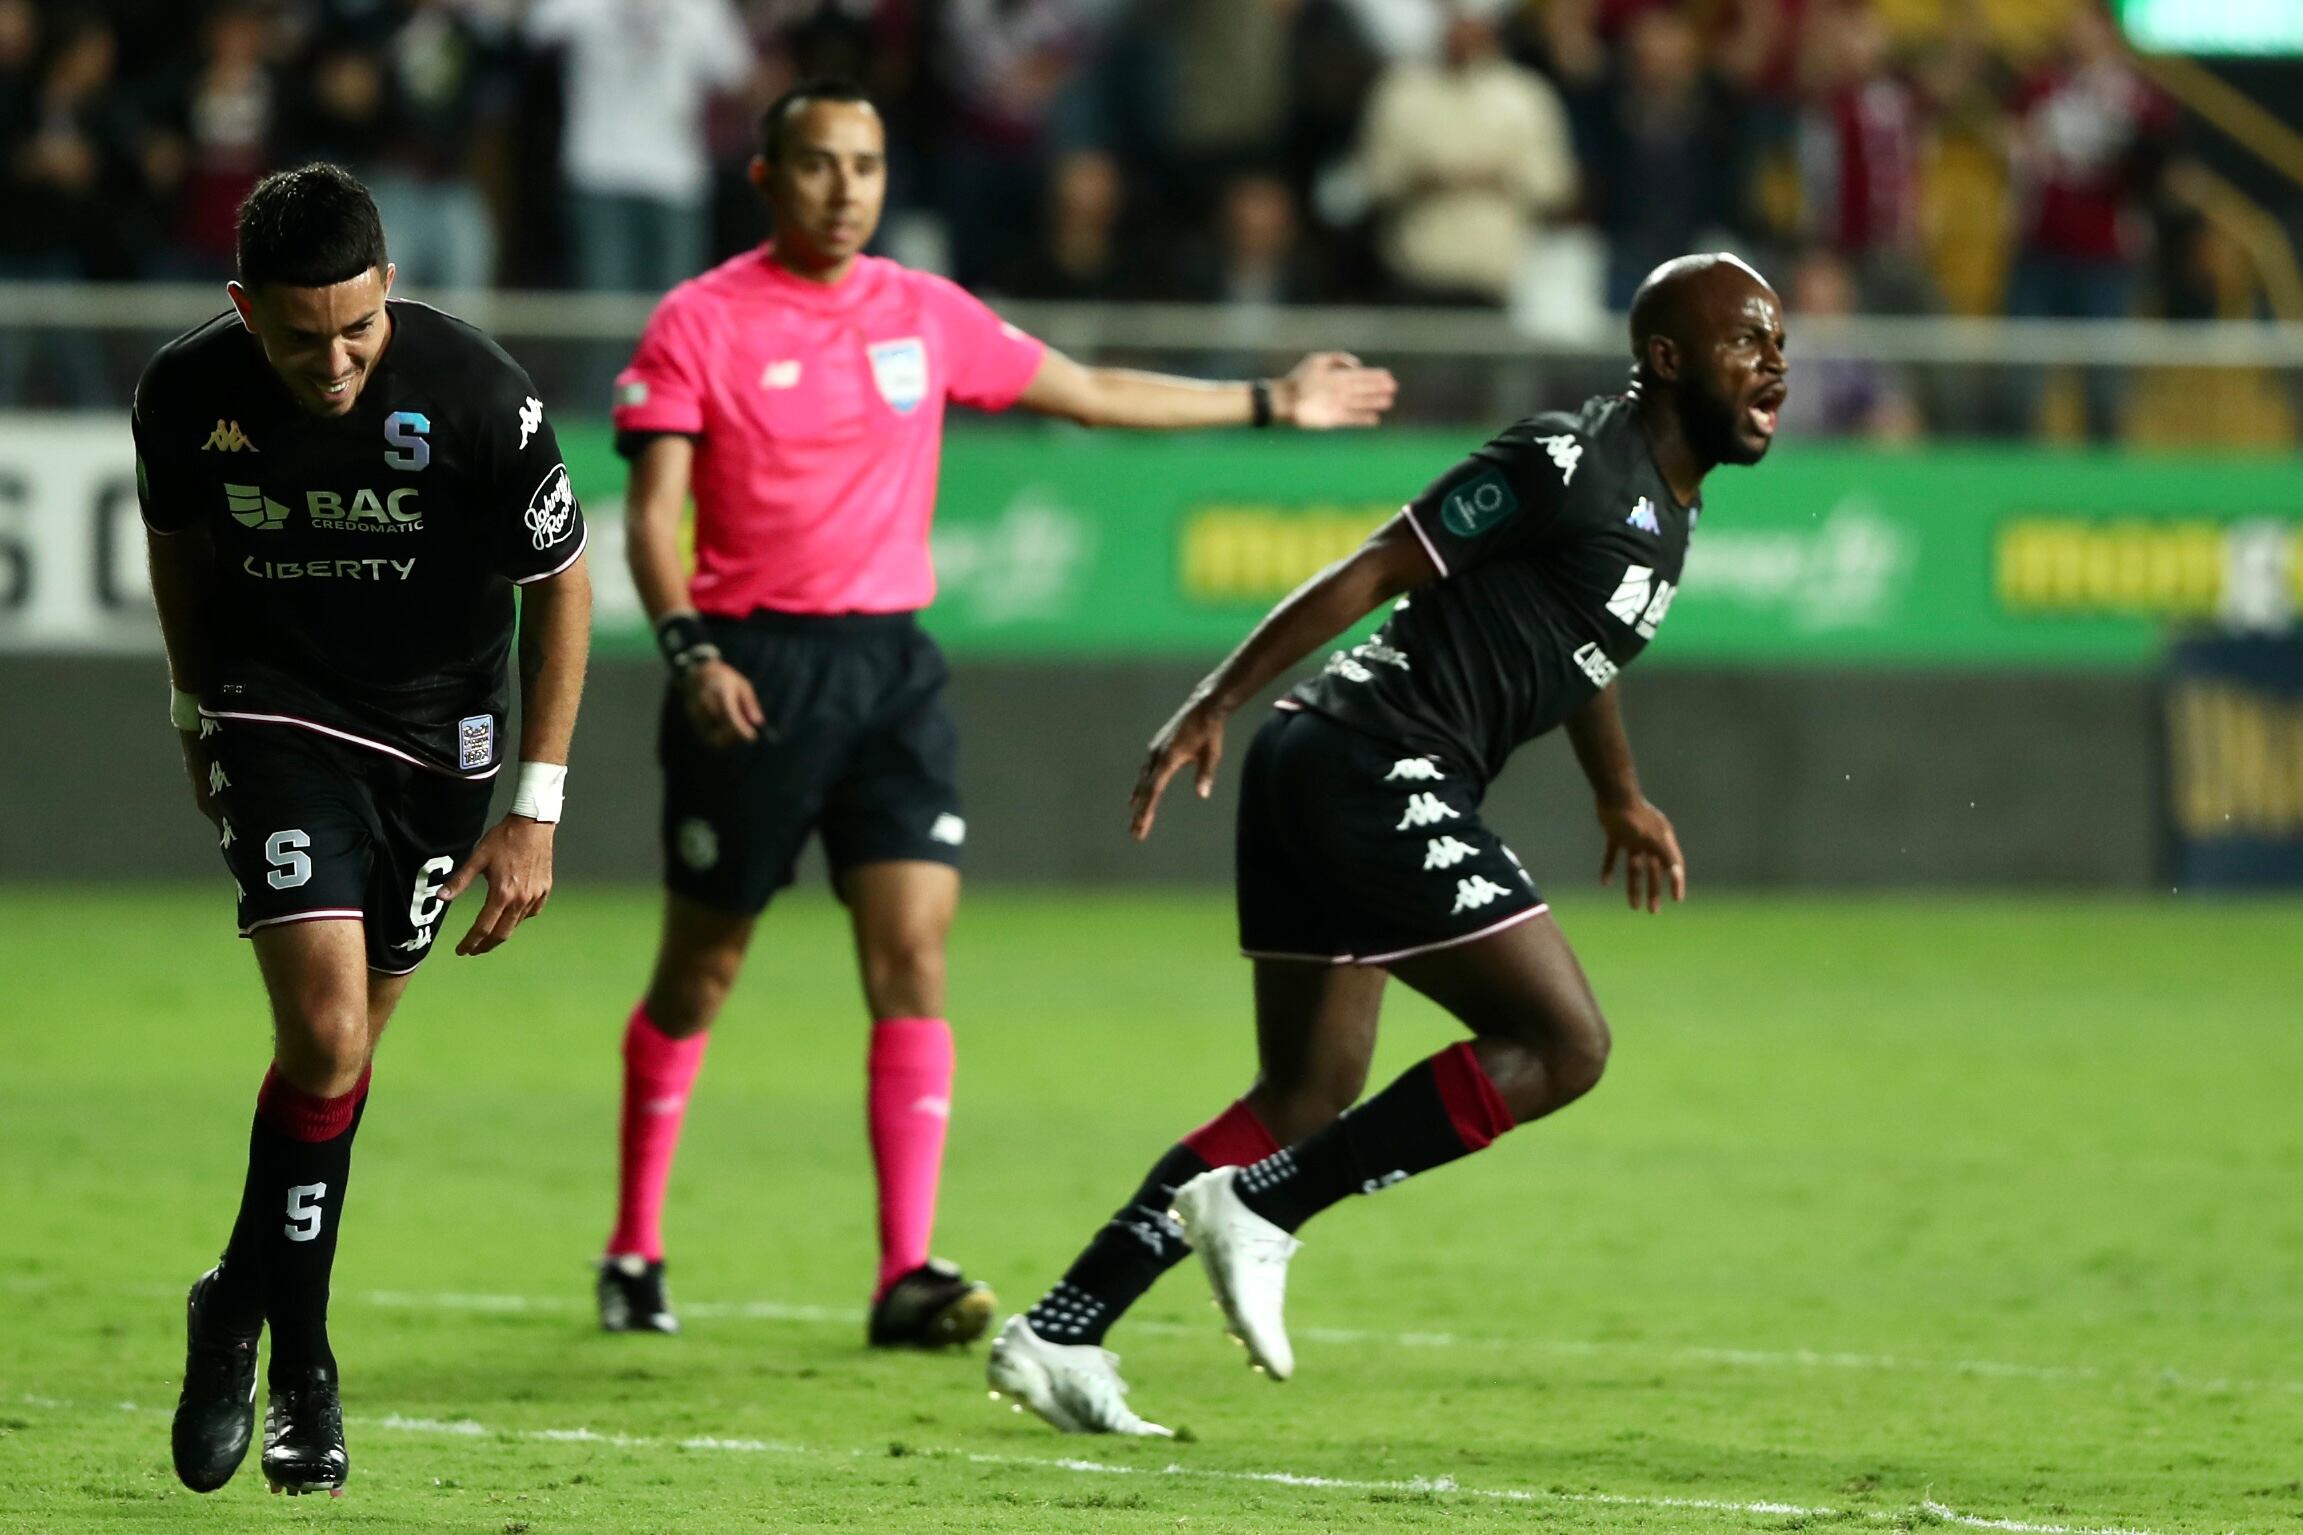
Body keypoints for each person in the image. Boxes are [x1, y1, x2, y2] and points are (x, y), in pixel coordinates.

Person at [596, 77, 1397, 1349]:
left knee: (912, 958)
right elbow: (649, 514)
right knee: (701, 971)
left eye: (863, 164)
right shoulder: (701, 320)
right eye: (816, 164)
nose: (845, 188)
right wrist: (688, 648)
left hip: (890, 674)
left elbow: (1082, 389)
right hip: (746, 670)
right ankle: (634, 1243)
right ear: (766, 179)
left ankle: (903, 1271)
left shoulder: (920, 309)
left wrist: (1266, 401)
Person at [987, 252, 1788, 1435]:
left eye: (1778, 343)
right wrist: (1218, 691)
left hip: (1323, 761)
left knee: (1305, 1089)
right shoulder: (1564, 458)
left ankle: (1058, 1328)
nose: (1772, 363)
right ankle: (1263, 1208)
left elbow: (1578, 649)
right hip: (1367, 758)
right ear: (1666, 359)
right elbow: (1376, 561)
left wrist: (1618, 793)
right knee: (1561, 1043)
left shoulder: (1664, 502)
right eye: (1745, 341)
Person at [140, 163, 592, 1496]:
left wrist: (535, 802)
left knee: (332, 1069)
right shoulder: (184, 393)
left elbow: (562, 587)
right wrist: (188, 702)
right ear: (243, 308)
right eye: (297, 337)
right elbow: (179, 542)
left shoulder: (478, 397)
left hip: (441, 743)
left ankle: (235, 1294)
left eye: (354, 327)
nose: (331, 362)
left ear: (388, 285)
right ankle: (306, 1367)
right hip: (276, 713)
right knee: (327, 1033)